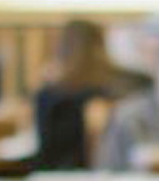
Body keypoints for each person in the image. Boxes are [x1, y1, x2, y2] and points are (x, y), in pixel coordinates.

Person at [32, 20, 151, 171]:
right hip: (110, 174)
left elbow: (44, 149)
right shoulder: (127, 84)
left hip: (52, 176)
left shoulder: (48, 94)